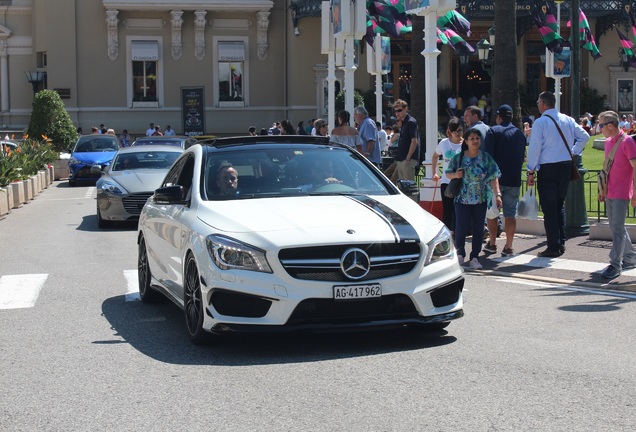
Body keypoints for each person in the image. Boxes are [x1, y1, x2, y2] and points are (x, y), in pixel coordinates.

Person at [527, 91, 589, 257]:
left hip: (548, 168)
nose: (538, 104)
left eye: (539, 101)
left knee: (549, 208)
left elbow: (534, 149)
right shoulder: (568, 119)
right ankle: (560, 241)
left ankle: (554, 245)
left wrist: (530, 170)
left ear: (543, 103)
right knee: (558, 205)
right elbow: (584, 136)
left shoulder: (541, 123)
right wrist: (573, 152)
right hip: (565, 166)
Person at [446, 128, 502, 270]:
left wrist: (498, 195)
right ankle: (460, 254)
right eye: (472, 138)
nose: (475, 141)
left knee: (478, 229)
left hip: (480, 199)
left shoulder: (485, 158)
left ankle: (475, 257)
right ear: (466, 141)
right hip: (462, 199)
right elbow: (447, 173)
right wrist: (455, 175)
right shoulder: (458, 158)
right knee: (461, 228)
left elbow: (493, 177)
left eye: (477, 138)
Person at [595, 110, 636, 279]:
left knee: (617, 229)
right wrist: (602, 190)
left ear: (610, 126)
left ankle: (615, 265)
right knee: (616, 227)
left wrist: (635, 195)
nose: (599, 128)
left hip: (621, 192)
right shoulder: (608, 142)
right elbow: (607, 169)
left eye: (601, 124)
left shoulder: (627, 142)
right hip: (610, 191)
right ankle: (630, 258)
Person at [483, 104, 527, 257]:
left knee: (492, 214)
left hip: (496, 180)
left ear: (499, 117)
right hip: (514, 178)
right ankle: (508, 246)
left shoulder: (493, 131)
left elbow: (487, 158)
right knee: (510, 214)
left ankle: (493, 243)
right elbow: (522, 157)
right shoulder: (520, 134)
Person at [432, 117, 464, 234]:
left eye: (460, 130)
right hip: (446, 180)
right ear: (449, 131)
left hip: (461, 181)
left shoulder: (465, 144)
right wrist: (434, 172)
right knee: (448, 208)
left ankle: (458, 230)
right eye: (455, 131)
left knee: (459, 208)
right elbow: (435, 156)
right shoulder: (444, 143)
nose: (457, 134)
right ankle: (448, 232)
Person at [392, 99, 419, 181]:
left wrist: (408, 158)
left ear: (406, 109)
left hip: (407, 160)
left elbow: (414, 141)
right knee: (402, 186)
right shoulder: (403, 123)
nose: (397, 113)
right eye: (395, 111)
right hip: (401, 159)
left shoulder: (411, 122)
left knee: (408, 186)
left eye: (399, 110)